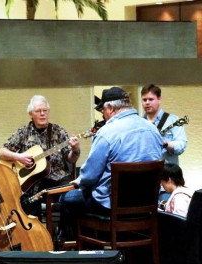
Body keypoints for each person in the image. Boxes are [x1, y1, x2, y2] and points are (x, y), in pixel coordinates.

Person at [58, 87, 163, 240]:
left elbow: (89, 177)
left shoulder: (107, 132)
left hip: (111, 207)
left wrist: (80, 181)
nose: (104, 116)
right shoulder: (153, 129)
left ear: (110, 108)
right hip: (146, 206)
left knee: (67, 199)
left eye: (103, 112)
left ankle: (87, 250)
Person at [0, 95, 81, 217]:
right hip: (32, 181)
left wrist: (75, 149)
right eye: (38, 111)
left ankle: (64, 232)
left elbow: (71, 159)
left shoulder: (59, 131)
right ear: (31, 114)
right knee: (22, 198)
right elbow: (1, 152)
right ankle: (33, 232)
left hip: (57, 179)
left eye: (45, 111)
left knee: (70, 196)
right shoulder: (23, 132)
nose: (42, 114)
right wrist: (18, 157)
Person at [141, 84, 187, 166]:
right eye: (144, 100)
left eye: (151, 99)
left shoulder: (173, 120)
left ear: (159, 100)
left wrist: (166, 144)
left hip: (167, 173)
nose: (147, 102)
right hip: (145, 170)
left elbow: (181, 145)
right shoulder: (139, 123)